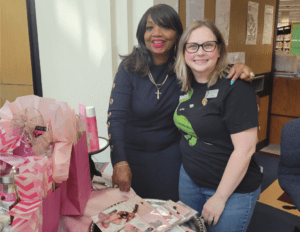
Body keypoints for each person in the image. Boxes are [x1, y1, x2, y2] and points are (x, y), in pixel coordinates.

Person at [107, 4, 254, 201]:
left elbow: (210, 70)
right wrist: (119, 161)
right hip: (132, 156)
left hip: (172, 155)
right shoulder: (129, 67)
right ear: (142, 33)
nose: (156, 34)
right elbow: (115, 117)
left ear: (178, 34)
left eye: (165, 27)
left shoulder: (184, 66)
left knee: (171, 216)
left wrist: (239, 68)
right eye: (149, 28)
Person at [174, 19, 262, 232]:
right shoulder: (184, 84)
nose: (200, 53)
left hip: (231, 191)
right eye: (192, 46)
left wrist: (219, 198)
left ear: (219, 49)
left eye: (208, 45)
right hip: (190, 180)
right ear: (184, 52)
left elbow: (246, 149)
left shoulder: (236, 87)